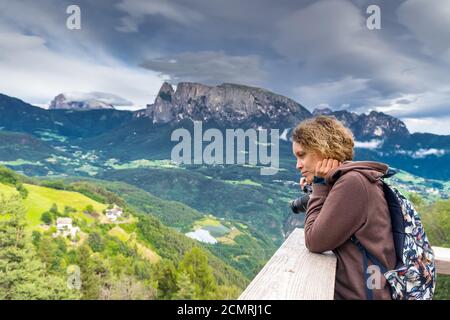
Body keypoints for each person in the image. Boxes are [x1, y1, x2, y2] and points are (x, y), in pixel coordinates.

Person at [291, 115, 396, 300]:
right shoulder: (350, 180)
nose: (298, 165)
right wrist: (320, 187)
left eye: (302, 155)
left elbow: (314, 241)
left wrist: (320, 184)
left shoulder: (352, 183)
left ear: (322, 148)